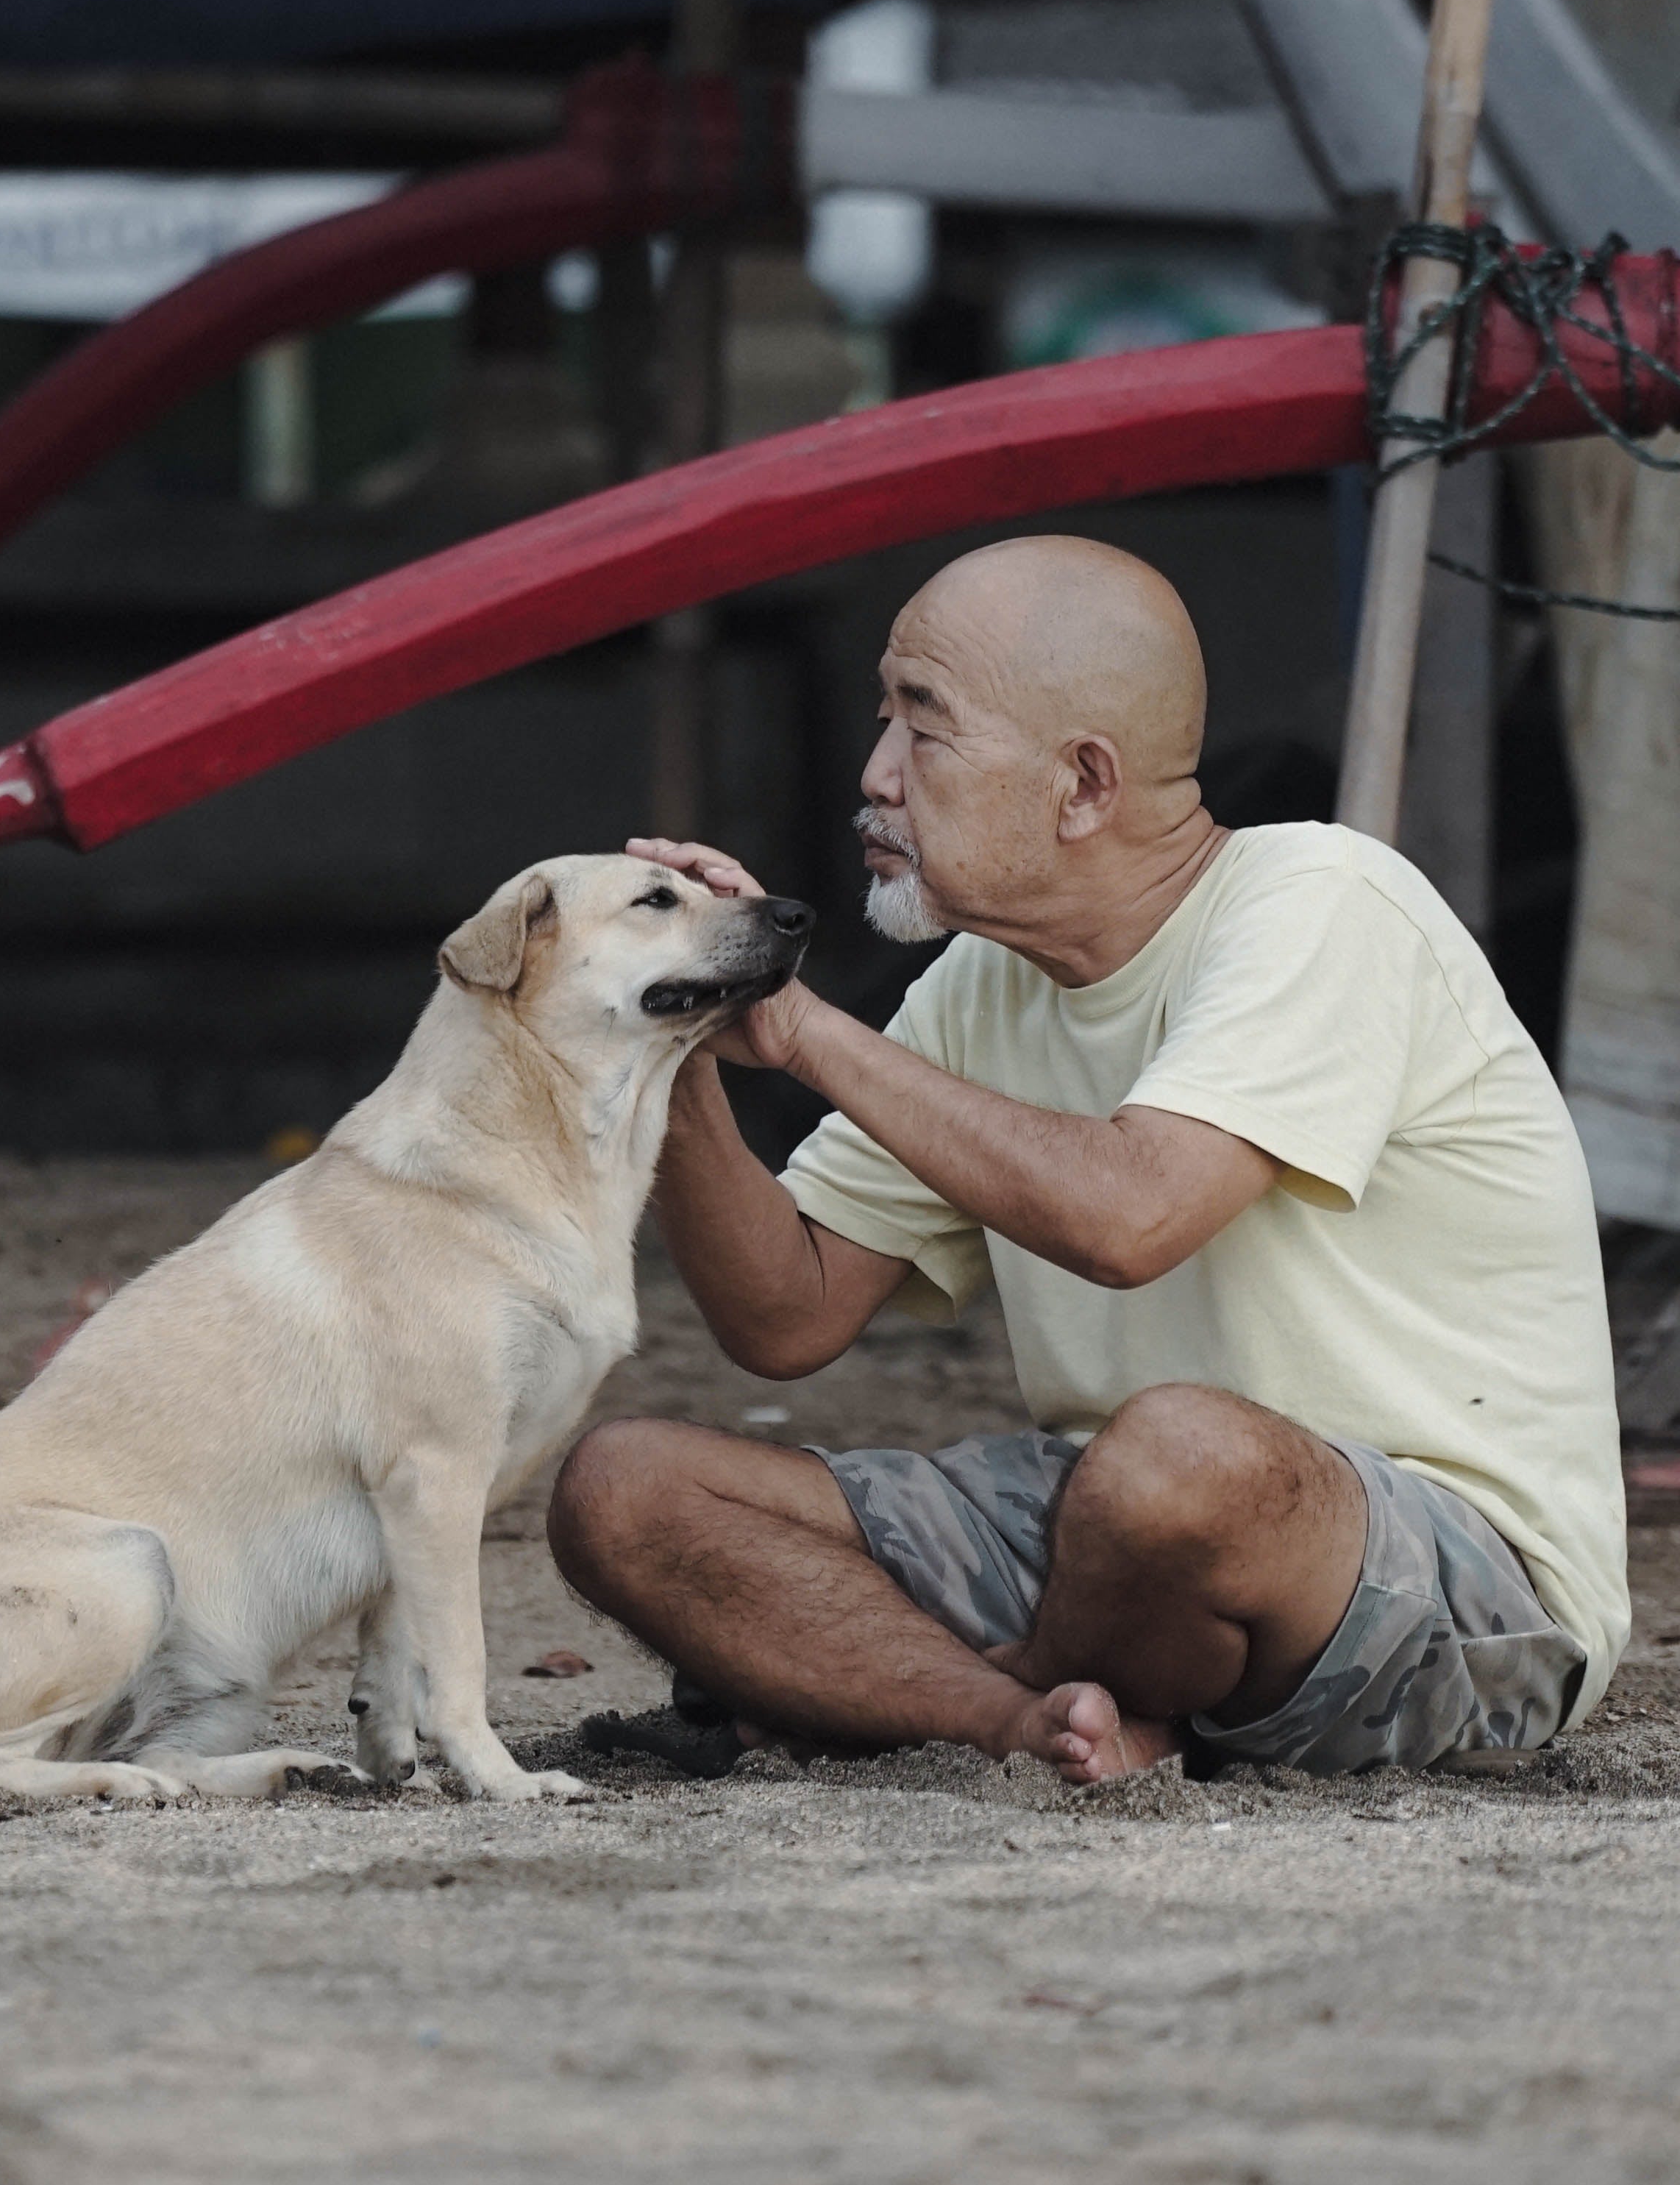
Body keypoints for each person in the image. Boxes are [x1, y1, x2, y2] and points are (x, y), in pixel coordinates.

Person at [551, 534, 1625, 1782]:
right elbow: (782, 1316)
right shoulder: (979, 987)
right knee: (624, 1489)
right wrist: (672, 1031)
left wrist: (799, 1033)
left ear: (1082, 786)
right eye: (880, 718)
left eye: (922, 727)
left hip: (1449, 1573)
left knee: (1178, 1460)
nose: (874, 775)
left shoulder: (1326, 899)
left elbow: (1130, 1216)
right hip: (1110, 1537)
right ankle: (1034, 1724)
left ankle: (1006, 1685)